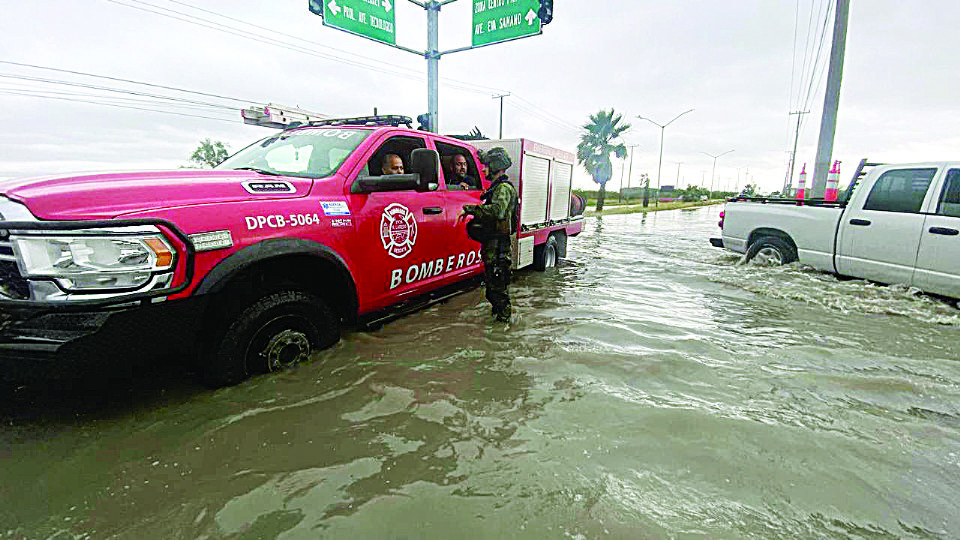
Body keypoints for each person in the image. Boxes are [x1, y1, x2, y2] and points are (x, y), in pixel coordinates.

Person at [459, 147, 518, 322]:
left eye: (486, 166)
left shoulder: (503, 189)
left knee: (498, 290)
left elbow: (499, 211)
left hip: (498, 247)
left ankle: (503, 329)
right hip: (493, 246)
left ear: (496, 166)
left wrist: (471, 209)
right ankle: (498, 323)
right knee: (493, 289)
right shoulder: (496, 188)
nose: (483, 170)